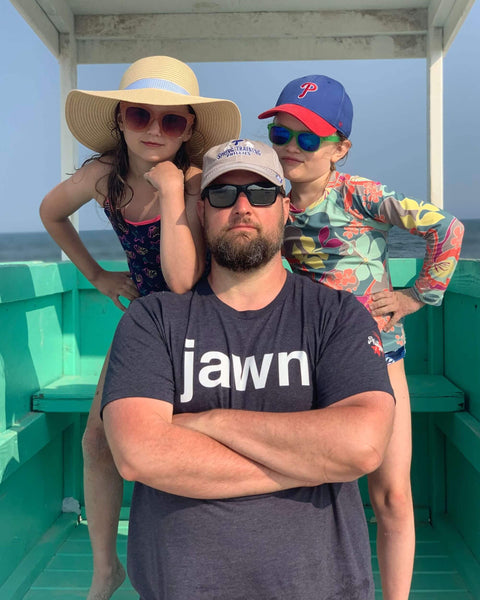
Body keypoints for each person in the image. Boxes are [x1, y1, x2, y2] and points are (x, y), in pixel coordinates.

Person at [101, 138, 395, 600]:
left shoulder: (336, 315)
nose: (242, 207)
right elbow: (141, 454)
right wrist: (313, 462)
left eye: (260, 193)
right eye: (222, 194)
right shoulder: (152, 319)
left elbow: (361, 446)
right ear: (201, 212)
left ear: (285, 209)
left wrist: (209, 423)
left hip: (323, 588)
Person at [39, 55, 241, 600]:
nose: (154, 130)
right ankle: (107, 568)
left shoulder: (197, 180)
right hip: (147, 324)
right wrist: (98, 275)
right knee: (97, 441)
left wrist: (175, 192)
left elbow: (181, 280)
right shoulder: (103, 177)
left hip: (206, 319)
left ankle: (208, 558)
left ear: (189, 130)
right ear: (120, 120)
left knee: (197, 438)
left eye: (172, 120)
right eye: (140, 115)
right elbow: (50, 212)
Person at [258, 75, 465, 600]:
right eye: (281, 136)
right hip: (302, 363)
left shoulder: (358, 194)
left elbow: (447, 229)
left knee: (393, 496)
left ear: (339, 149)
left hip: (376, 358)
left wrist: (416, 296)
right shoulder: (267, 200)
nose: (290, 149)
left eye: (309, 139)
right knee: (303, 495)